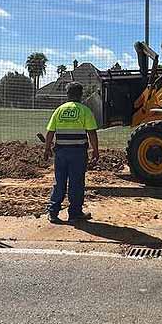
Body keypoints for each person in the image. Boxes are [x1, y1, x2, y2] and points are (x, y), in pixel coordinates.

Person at [43, 82, 100, 224]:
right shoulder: (85, 111)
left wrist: (47, 149)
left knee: (59, 182)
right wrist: (95, 150)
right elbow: (91, 133)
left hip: (61, 153)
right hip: (78, 153)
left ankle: (53, 213)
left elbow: (50, 132)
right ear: (81, 95)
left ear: (67, 94)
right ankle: (74, 214)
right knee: (76, 183)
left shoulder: (59, 110)